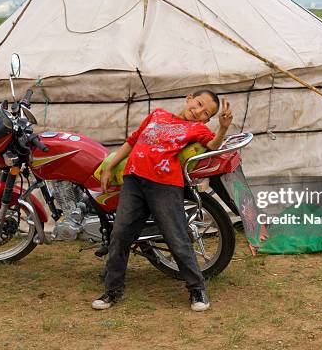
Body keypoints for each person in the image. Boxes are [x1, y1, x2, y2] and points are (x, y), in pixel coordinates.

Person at [92, 90, 233, 312]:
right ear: (189, 98)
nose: (198, 112)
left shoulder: (198, 129)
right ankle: (112, 290)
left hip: (165, 185)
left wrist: (223, 127)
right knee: (120, 234)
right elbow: (133, 141)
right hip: (134, 180)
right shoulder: (157, 115)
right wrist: (110, 165)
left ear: (207, 120)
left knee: (176, 238)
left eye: (206, 113)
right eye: (198, 104)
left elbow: (213, 145)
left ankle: (197, 288)